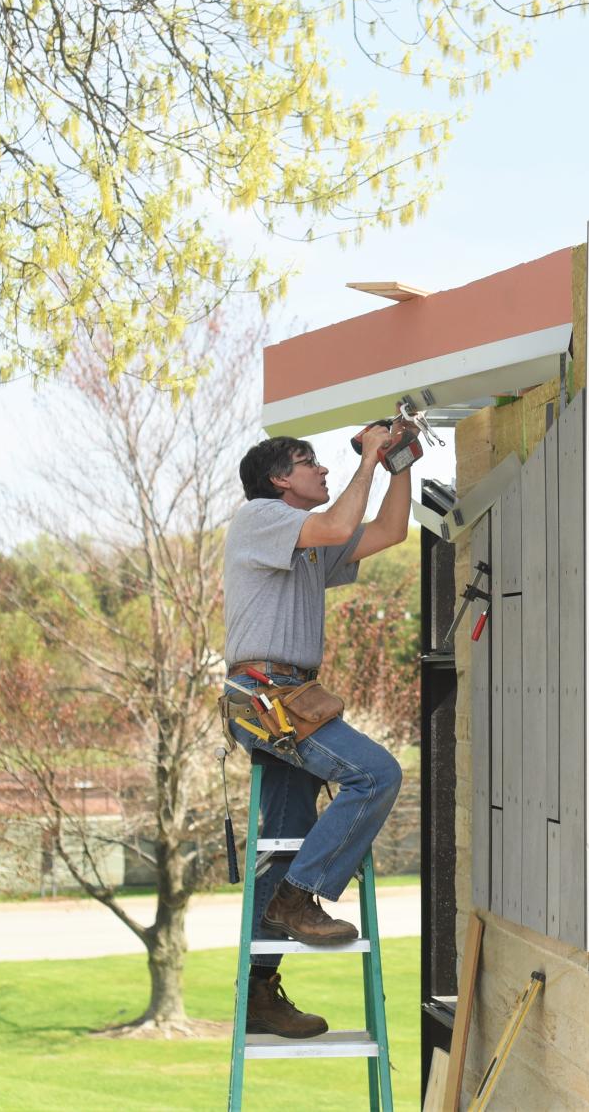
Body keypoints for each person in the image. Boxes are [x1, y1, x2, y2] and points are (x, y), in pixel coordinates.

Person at [223, 427, 409, 1039]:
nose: (323, 471)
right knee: (375, 773)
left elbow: (387, 532)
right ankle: (301, 896)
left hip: (288, 695)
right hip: (266, 695)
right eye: (310, 464)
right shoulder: (261, 518)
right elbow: (335, 523)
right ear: (281, 480)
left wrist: (398, 461)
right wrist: (367, 461)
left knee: (284, 838)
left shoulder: (303, 545)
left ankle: (259, 994)